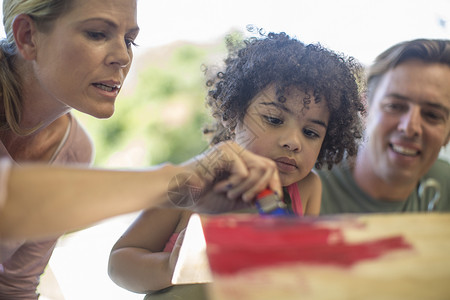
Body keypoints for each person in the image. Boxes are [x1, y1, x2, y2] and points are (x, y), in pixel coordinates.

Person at [0, 1, 282, 299]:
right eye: (97, 33)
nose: (123, 56)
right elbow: (9, 202)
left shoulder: (74, 150)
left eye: (129, 40)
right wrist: (179, 180)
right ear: (28, 36)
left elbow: (14, 286)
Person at [108, 31, 366, 293]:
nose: (293, 142)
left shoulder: (307, 188)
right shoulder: (197, 180)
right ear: (233, 117)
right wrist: (169, 267)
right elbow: (119, 262)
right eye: (274, 120)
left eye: (311, 133)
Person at [317, 38, 450, 214]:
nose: (410, 128)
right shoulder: (303, 187)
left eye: (432, 115)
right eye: (395, 106)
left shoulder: (446, 184)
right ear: (364, 108)